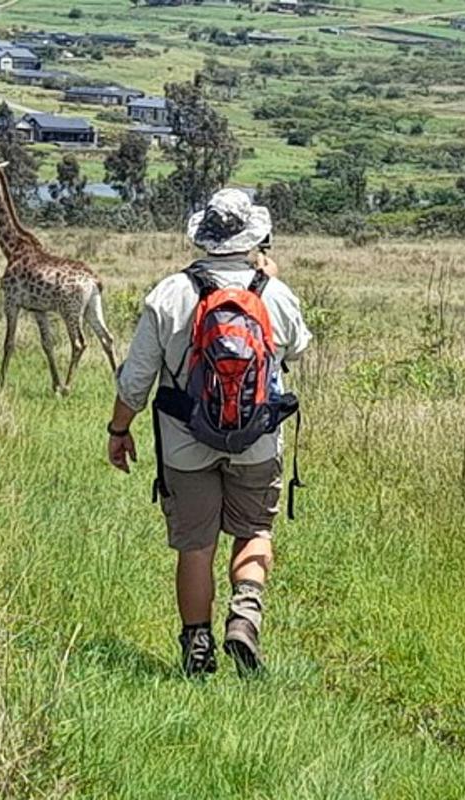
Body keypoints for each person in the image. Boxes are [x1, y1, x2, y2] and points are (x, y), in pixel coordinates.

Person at [106, 188, 311, 677]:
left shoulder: (169, 293)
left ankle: (197, 647)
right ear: (253, 238)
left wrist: (119, 429)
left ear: (204, 238)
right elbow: (298, 349)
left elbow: (136, 379)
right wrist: (270, 283)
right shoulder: (275, 294)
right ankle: (244, 615)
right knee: (254, 531)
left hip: (184, 440)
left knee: (196, 545)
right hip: (257, 438)